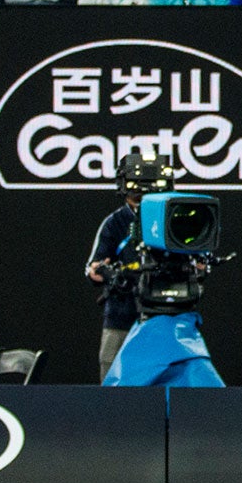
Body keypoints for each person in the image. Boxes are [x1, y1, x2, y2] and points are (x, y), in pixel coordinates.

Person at [87, 155, 167, 380]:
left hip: (163, 312)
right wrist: (110, 273)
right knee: (112, 367)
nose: (142, 192)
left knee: (163, 371)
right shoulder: (115, 223)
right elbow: (94, 269)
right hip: (122, 311)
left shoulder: (171, 218)